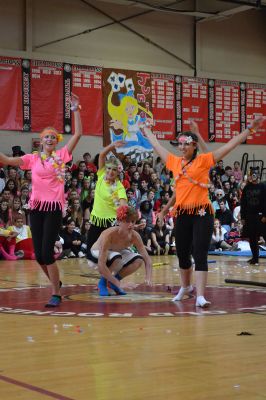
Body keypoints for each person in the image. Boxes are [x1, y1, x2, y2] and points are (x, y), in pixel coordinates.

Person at [142, 117, 264, 307]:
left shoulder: (204, 160)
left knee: (200, 253)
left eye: (185, 144)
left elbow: (229, 146)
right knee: (182, 253)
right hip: (182, 214)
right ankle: (185, 287)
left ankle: (200, 296)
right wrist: (146, 129)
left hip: (202, 213)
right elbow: (156, 145)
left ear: (194, 146)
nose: (181, 147)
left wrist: (249, 130)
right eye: (179, 144)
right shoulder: (174, 162)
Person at [0, 94, 82, 307]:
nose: (49, 139)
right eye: (46, 136)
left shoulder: (62, 156)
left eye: (53, 137)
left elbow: (79, 133)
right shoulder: (32, 159)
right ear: (40, 140)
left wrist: (75, 110)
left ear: (56, 142)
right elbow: (8, 160)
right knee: (38, 256)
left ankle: (56, 293)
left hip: (53, 208)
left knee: (46, 252)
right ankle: (57, 283)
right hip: (35, 208)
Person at [88, 205, 152, 296]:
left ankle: (113, 282)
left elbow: (147, 259)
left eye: (133, 221)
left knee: (138, 259)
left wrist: (148, 277)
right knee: (116, 257)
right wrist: (120, 285)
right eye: (127, 221)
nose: (131, 225)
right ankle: (102, 284)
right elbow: (101, 265)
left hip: (114, 253)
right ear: (118, 221)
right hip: (95, 254)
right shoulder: (109, 234)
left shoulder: (135, 236)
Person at [86, 141, 128, 264]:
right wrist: (113, 145)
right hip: (96, 221)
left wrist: (124, 214)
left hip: (110, 223)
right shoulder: (101, 174)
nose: (110, 172)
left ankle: (110, 275)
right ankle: (107, 272)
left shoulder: (119, 187)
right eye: (109, 168)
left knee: (106, 253)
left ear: (117, 172)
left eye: (114, 170)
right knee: (90, 255)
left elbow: (123, 206)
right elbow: (102, 155)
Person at [240, 167, 266, 265]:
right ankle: (255, 258)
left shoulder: (263, 186)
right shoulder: (247, 187)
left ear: (258, 175)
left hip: (261, 216)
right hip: (249, 216)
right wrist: (243, 217)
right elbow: (243, 203)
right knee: (252, 238)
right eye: (252, 174)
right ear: (251, 175)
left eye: (255, 174)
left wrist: (265, 215)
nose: (254, 176)